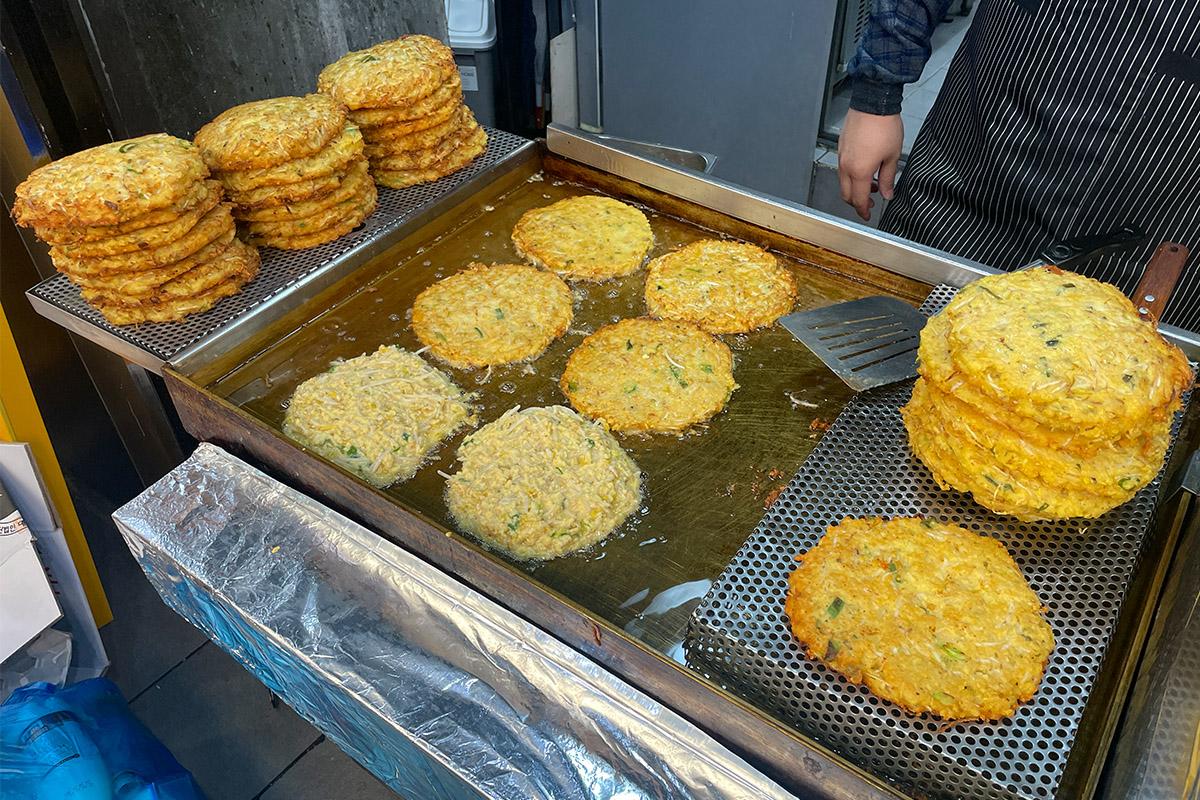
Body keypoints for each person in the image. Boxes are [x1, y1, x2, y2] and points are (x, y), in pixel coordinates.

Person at [838, 0, 1200, 332]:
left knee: (1124, 383)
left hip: (1160, 216)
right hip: (976, 167)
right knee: (892, 336)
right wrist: (877, 94)